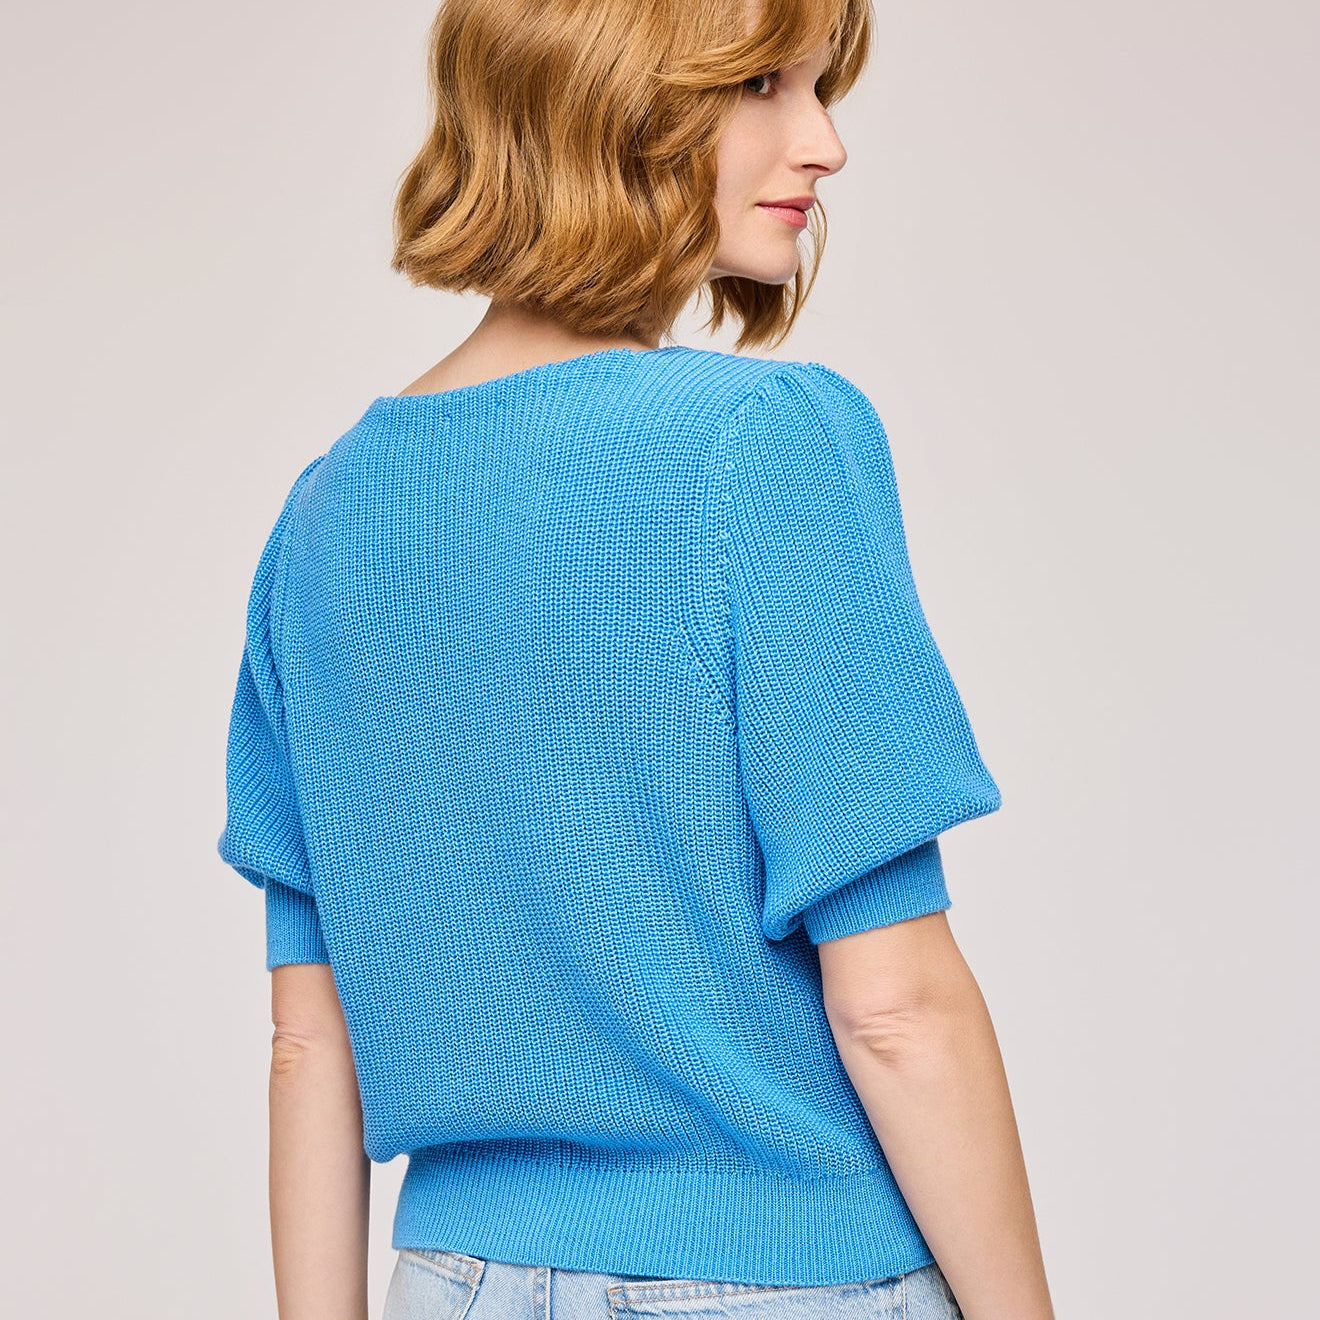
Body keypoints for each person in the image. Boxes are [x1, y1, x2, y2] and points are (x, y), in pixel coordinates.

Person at [216, 0, 1057, 1317]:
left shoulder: (322, 520)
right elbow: (895, 1009)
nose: (825, 143)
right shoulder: (763, 443)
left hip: (455, 1282)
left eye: (820, 88)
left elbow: (309, 1045)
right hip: (780, 1275)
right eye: (764, 85)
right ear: (608, 99)